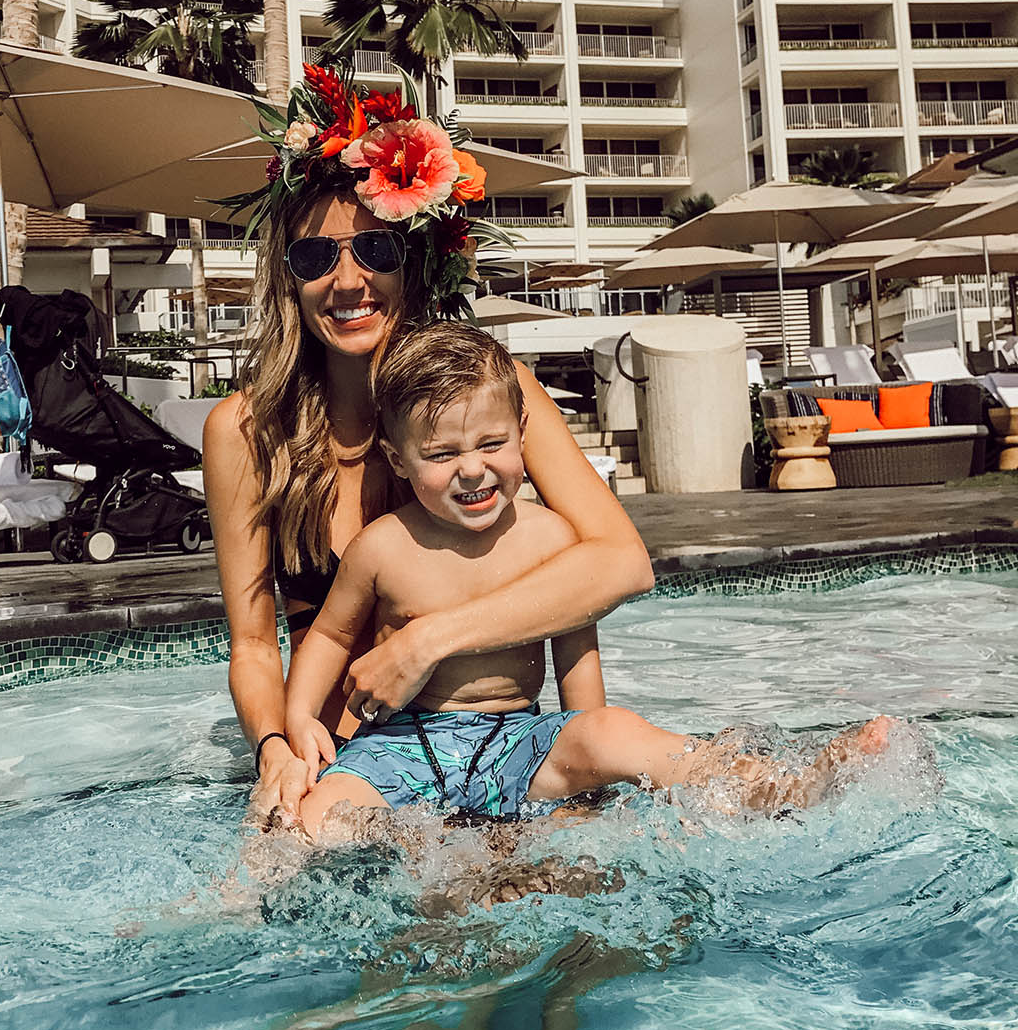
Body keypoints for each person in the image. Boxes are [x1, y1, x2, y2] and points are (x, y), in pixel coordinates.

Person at [203, 64, 656, 827]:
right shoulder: (247, 433)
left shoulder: (497, 390)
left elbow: (622, 561)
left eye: (375, 252)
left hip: (501, 741)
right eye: (315, 259)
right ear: (288, 278)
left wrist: (428, 642)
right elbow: (252, 647)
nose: (346, 281)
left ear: (415, 261)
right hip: (350, 761)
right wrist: (276, 745)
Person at [285, 322, 894, 839]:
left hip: (515, 738)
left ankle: (782, 785)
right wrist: (301, 720)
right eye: (442, 455)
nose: (472, 469)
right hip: (402, 745)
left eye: (491, 443)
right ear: (398, 460)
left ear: (523, 435)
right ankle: (374, 860)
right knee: (320, 817)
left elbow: (578, 661)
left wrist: (588, 774)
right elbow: (331, 637)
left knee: (616, 733)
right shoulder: (383, 546)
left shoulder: (552, 537)